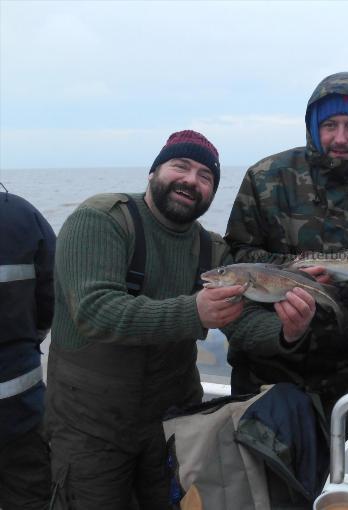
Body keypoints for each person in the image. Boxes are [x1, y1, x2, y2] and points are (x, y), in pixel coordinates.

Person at [44, 130, 246, 509]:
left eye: (206, 176)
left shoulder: (212, 248)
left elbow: (244, 323)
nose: (191, 180)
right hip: (90, 428)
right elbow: (94, 310)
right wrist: (194, 311)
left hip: (172, 425)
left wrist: (289, 329)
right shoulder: (100, 219)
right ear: (154, 172)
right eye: (180, 166)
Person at [223, 71, 348, 418]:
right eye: (330, 124)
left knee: (336, 471)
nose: (341, 138)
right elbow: (237, 255)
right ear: (313, 125)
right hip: (264, 372)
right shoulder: (266, 176)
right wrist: (294, 268)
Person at [0, 187, 55, 510]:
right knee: (30, 498)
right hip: (22, 410)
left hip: (22, 406)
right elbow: (53, 299)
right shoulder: (23, 215)